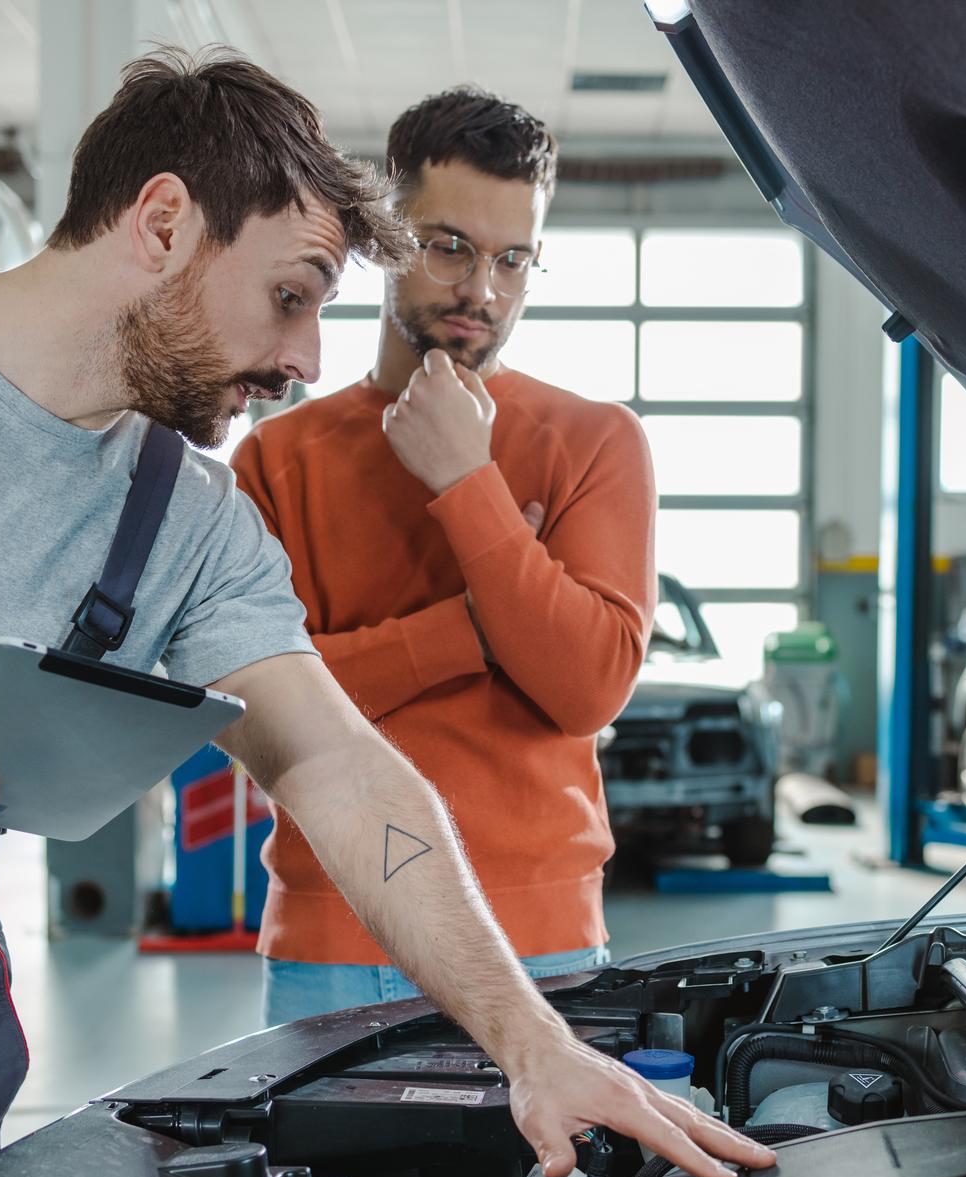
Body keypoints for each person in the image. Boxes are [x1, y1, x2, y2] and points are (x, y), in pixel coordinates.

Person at [0, 49, 771, 1177]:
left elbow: (335, 765)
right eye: (292, 296)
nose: (307, 363)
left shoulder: (182, 516)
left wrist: (533, 1040)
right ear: (165, 223)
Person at [233, 87, 654, 1024]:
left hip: (543, 946)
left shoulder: (595, 442)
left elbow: (586, 686)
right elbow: (261, 718)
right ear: (385, 233)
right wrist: (477, 628)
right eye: (450, 246)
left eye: (514, 260)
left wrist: (467, 481)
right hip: (333, 941)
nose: (482, 292)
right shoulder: (277, 458)